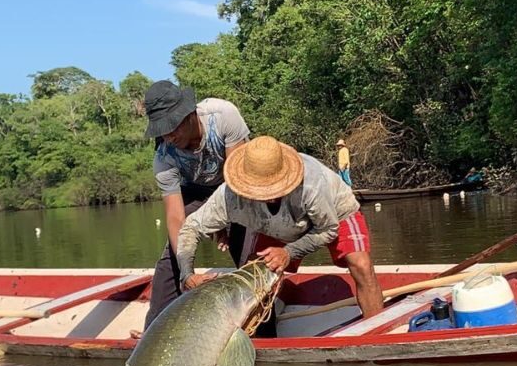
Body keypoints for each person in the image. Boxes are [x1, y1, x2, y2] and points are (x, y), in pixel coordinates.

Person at [176, 136, 383, 322]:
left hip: (335, 214)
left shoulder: (310, 184)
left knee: (362, 265)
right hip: (278, 227)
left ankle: (376, 333)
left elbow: (328, 229)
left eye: (274, 186)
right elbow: (191, 228)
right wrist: (187, 275)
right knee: (254, 279)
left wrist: (289, 252)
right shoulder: (229, 197)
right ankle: (259, 332)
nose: (270, 194)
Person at [143, 80, 250, 328]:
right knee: (174, 254)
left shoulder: (223, 116)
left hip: (238, 184)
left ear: (190, 113)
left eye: (173, 127)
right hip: (196, 191)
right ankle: (155, 329)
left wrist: (220, 221)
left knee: (246, 247)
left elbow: (237, 180)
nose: (169, 136)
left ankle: (264, 330)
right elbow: (175, 218)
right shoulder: (163, 157)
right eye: (162, 130)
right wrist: (186, 271)